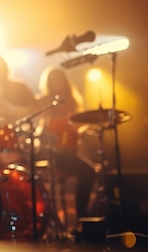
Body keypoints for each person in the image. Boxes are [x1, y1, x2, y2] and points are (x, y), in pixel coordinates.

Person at [34, 66, 96, 228]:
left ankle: (82, 217)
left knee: (89, 172)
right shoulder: (43, 102)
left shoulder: (72, 102)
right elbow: (39, 129)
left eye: (59, 79)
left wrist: (81, 130)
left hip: (68, 152)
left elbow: (78, 127)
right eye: (53, 80)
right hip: (51, 152)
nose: (56, 83)